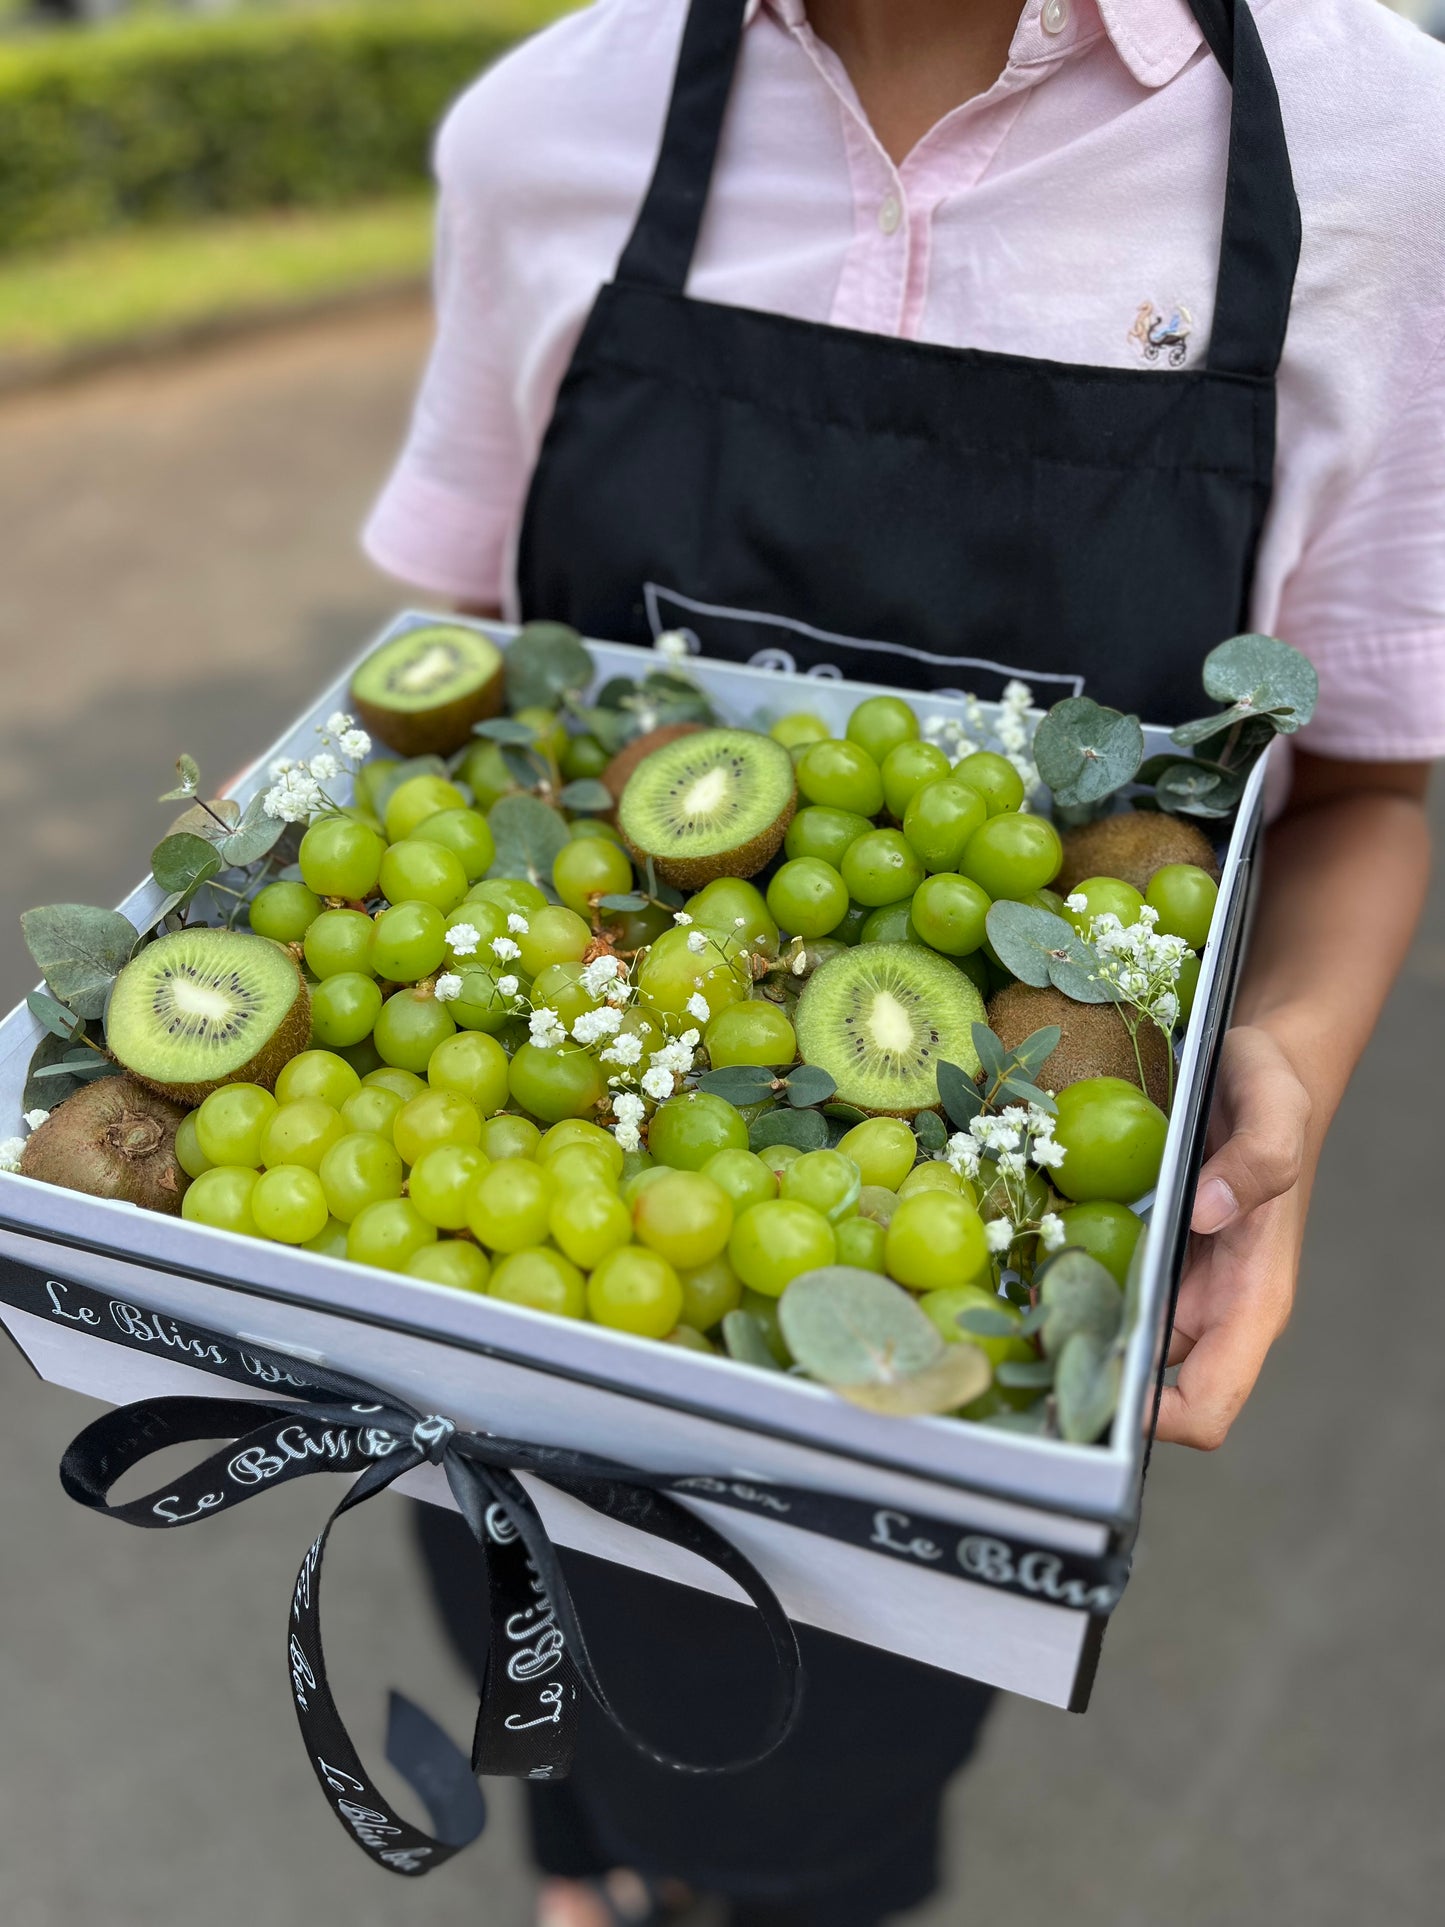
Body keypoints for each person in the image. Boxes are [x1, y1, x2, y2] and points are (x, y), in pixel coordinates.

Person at [365, 2, 1444, 1920]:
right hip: (526, 1315)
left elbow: (1361, 783)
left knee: (817, 1811)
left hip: (925, 1366)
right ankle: (584, 1869)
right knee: (528, 1637)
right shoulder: (545, 125)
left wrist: (1282, 1062)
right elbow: (471, 664)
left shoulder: (1391, 157)